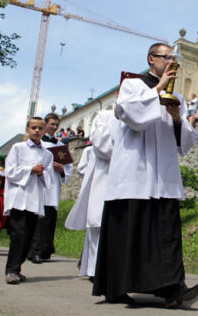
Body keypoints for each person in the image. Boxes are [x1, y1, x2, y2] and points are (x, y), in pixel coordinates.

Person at [92, 42, 198, 308]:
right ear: (152, 59)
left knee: (166, 232)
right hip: (134, 173)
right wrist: (158, 89)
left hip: (163, 175)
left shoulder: (180, 99)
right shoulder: (132, 85)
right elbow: (132, 115)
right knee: (131, 232)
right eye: (167, 58)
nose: (172, 63)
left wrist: (177, 118)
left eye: (175, 60)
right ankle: (116, 287)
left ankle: (172, 288)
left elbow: (186, 142)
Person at [65, 110, 117, 279]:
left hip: (127, 183)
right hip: (102, 182)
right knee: (97, 226)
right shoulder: (105, 116)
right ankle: (94, 270)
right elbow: (104, 148)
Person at [3, 117, 53, 284]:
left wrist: (41, 173)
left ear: (44, 130)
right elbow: (9, 171)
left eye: (40, 128)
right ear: (27, 129)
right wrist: (29, 170)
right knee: (18, 234)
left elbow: (49, 178)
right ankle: (11, 270)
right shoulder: (18, 148)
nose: (37, 131)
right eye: (33, 127)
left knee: (29, 235)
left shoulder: (47, 154)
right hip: (19, 197)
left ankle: (17, 268)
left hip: (34, 199)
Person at [28, 113, 73, 264]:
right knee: (37, 217)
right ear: (45, 124)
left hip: (53, 185)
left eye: (56, 124)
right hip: (39, 183)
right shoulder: (37, 144)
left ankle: (46, 250)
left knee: (49, 217)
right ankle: (34, 251)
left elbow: (68, 168)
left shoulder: (60, 145)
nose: (54, 127)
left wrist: (61, 169)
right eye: (51, 124)